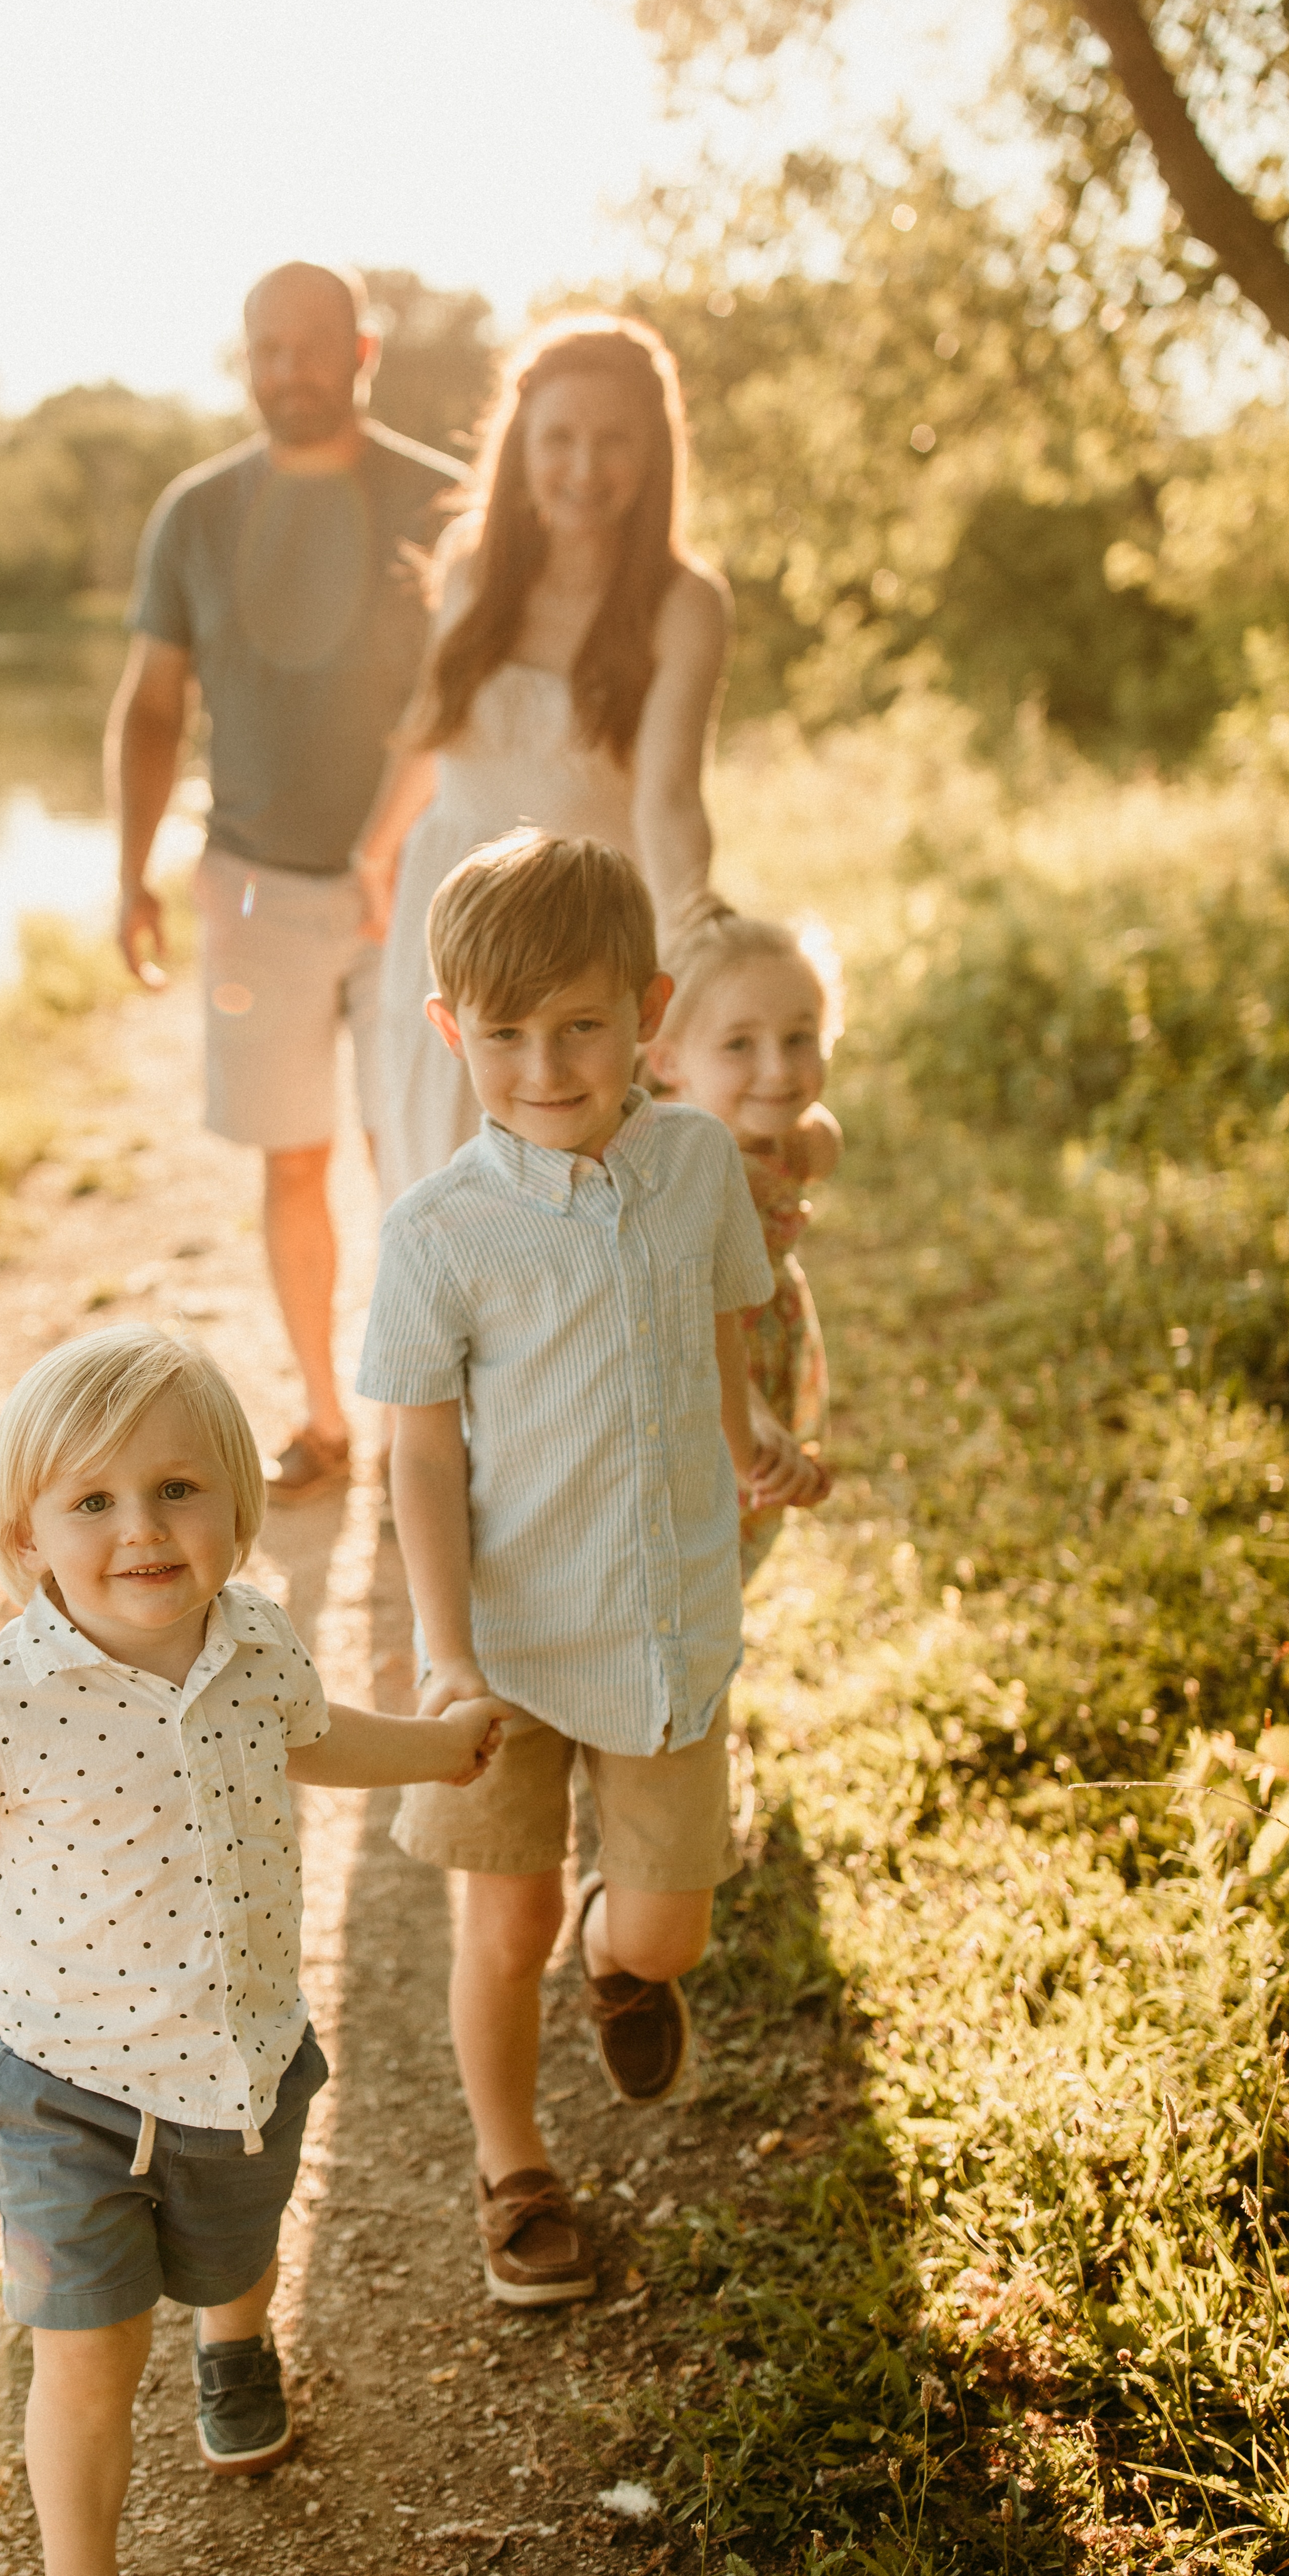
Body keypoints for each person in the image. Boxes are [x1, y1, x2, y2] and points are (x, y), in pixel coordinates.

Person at [0, 1328, 502, 2576]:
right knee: (82, 2348)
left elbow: (317, 1739)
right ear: (29, 1534)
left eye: (178, 1487)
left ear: (239, 1509)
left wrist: (434, 1748)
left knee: (235, 2240)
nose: (141, 1528)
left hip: (239, 2055)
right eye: (94, 1501)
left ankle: (237, 2342)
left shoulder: (258, 1644)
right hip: (59, 2081)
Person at [354, 833, 773, 2306]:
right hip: (508, 1645)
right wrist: (442, 1646)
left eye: (582, 1025)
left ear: (646, 1011)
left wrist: (749, 1431)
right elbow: (414, 1458)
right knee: (503, 1914)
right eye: (505, 1031)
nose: (545, 1063)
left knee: (667, 1921)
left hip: (660, 1622)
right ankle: (514, 2162)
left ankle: (624, 1952)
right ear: (449, 1029)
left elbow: (724, 1318)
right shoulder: (437, 1232)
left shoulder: (696, 1160)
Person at [109, 262, 463, 1499]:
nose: (286, 371)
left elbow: (473, 700)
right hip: (253, 890)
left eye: (310, 347)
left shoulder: (443, 501)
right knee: (295, 1160)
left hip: (413, 888)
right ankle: (324, 1421)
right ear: (244, 357)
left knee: (415, 1154)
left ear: (361, 351)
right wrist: (129, 874)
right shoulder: (195, 513)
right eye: (266, 349)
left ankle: (434, 1421)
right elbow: (151, 708)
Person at [355, 313, 731, 1209]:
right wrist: (373, 853)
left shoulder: (683, 605)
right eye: (557, 438)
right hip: (449, 914)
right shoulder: (471, 566)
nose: (582, 468)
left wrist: (699, 946)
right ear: (519, 445)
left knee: (571, 1203)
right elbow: (433, 727)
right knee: (438, 1187)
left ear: (654, 456)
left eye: (612, 442)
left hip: (581, 928)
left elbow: (670, 802)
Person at [647, 912, 843, 1578]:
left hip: (765, 1350)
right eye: (738, 1044)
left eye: (800, 1037)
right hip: (710, 1391)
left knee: (734, 1551)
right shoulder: (686, 1168)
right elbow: (685, 1315)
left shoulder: (773, 1130)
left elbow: (816, 1135)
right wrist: (750, 1419)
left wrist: (807, 1138)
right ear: (667, 1060)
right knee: (696, 1557)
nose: (778, 1070)